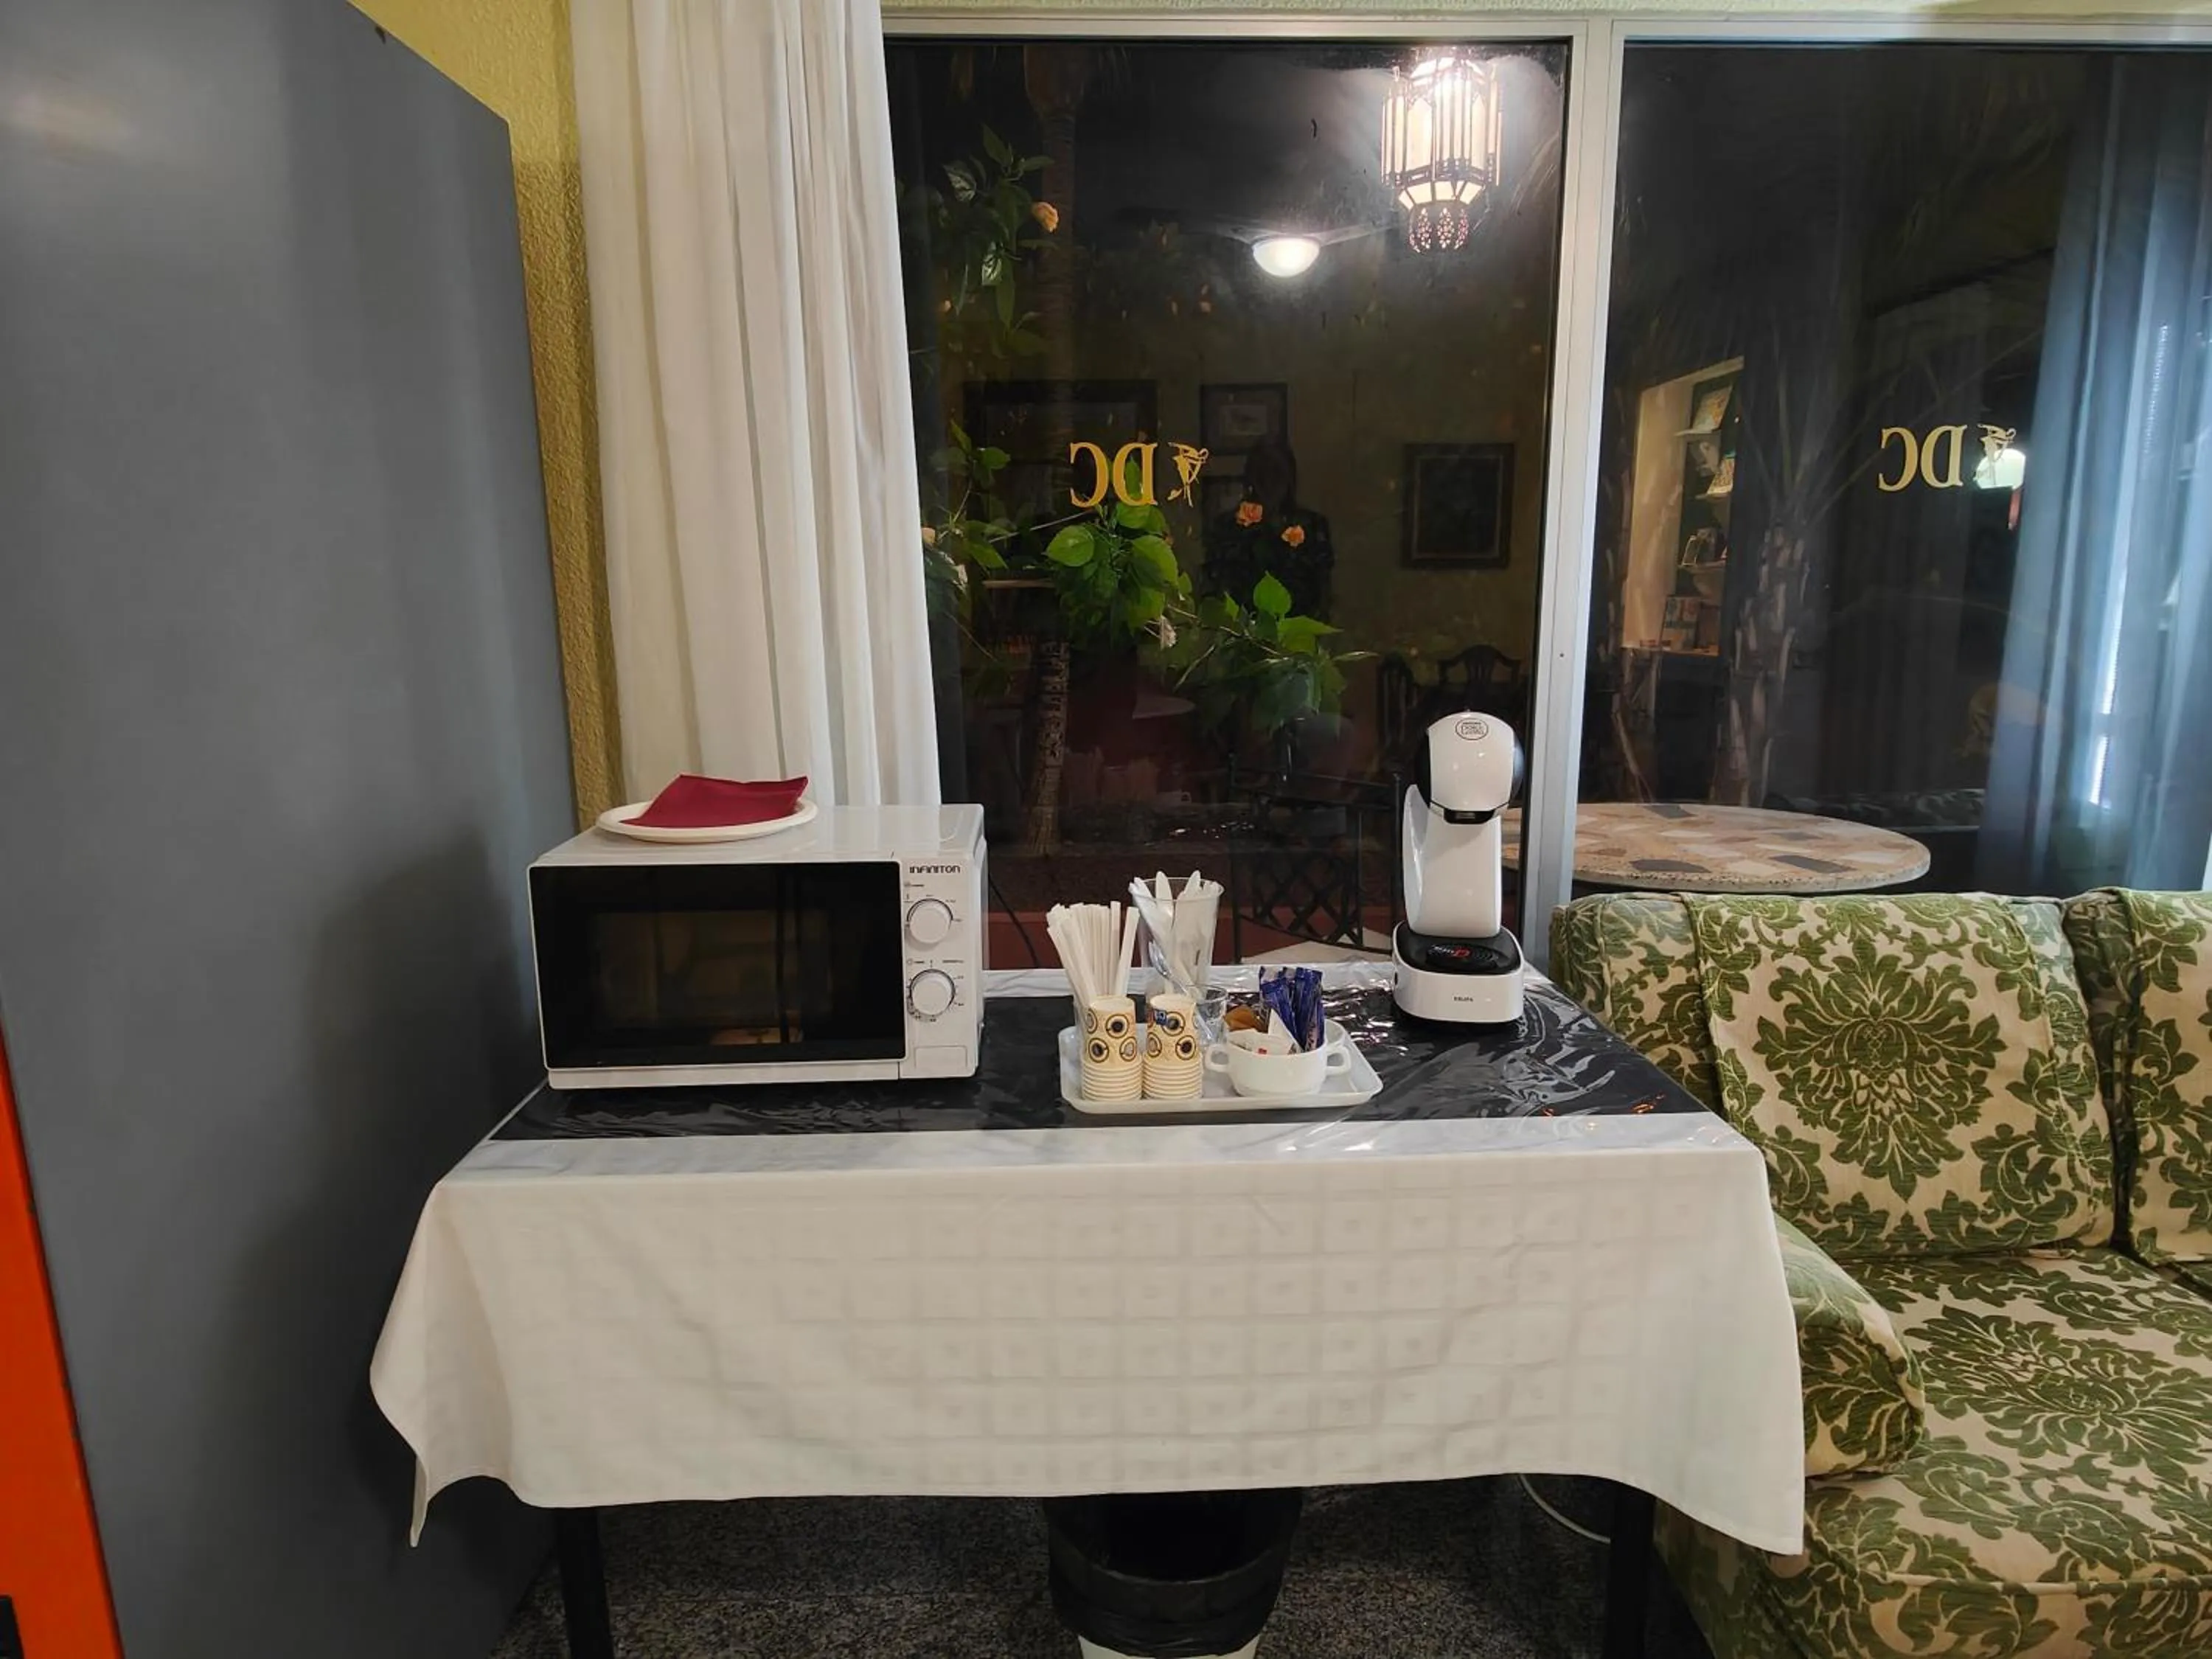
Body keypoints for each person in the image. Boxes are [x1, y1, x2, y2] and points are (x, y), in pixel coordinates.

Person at [1203, 437, 1335, 620]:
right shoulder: (1227, 527)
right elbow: (1217, 588)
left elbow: (1323, 592)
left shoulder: (1312, 526)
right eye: (1262, 472)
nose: (1269, 481)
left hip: (1297, 634)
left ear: (1290, 477)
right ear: (1250, 476)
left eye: (1277, 472)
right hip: (1243, 635)